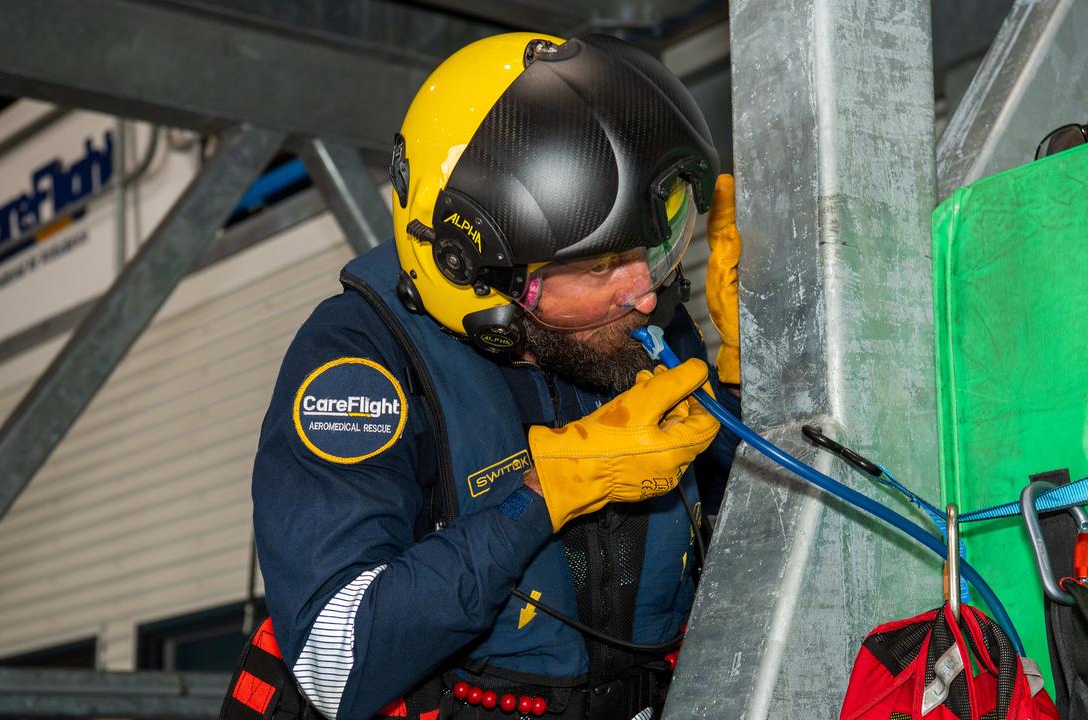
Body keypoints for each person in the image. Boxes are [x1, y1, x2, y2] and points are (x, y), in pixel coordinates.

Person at [246, 31, 744, 720]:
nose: (644, 294)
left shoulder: (628, 326)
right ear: (476, 273)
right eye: (599, 265)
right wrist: (544, 495)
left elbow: (738, 519)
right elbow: (335, 662)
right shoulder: (359, 361)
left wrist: (754, 387)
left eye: (649, 248)